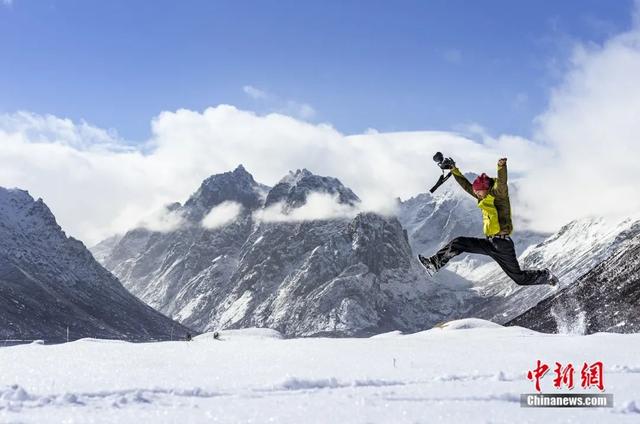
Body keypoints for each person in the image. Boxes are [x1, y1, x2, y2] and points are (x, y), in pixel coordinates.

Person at [418, 157, 558, 287]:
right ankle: (434, 264)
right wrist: (454, 169)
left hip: (503, 245)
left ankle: (546, 276)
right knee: (458, 242)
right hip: (490, 242)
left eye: (478, 192)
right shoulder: (483, 196)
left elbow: (502, 183)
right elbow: (467, 186)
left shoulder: (499, 195)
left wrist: (501, 167)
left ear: (485, 190)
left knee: (519, 279)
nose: (476, 195)